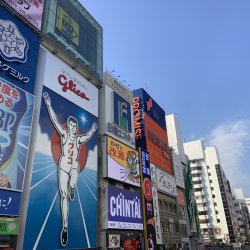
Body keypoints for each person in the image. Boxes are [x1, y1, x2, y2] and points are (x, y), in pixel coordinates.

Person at [43, 92, 97, 246]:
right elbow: (54, 120)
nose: (72, 128)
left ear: (76, 128)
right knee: (63, 196)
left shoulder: (78, 139)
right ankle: (65, 227)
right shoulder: (64, 135)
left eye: (74, 126)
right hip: (63, 166)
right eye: (71, 125)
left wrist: (93, 129)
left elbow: (87, 136)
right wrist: (48, 104)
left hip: (74, 165)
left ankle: (73, 187)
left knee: (72, 183)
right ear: (69, 125)